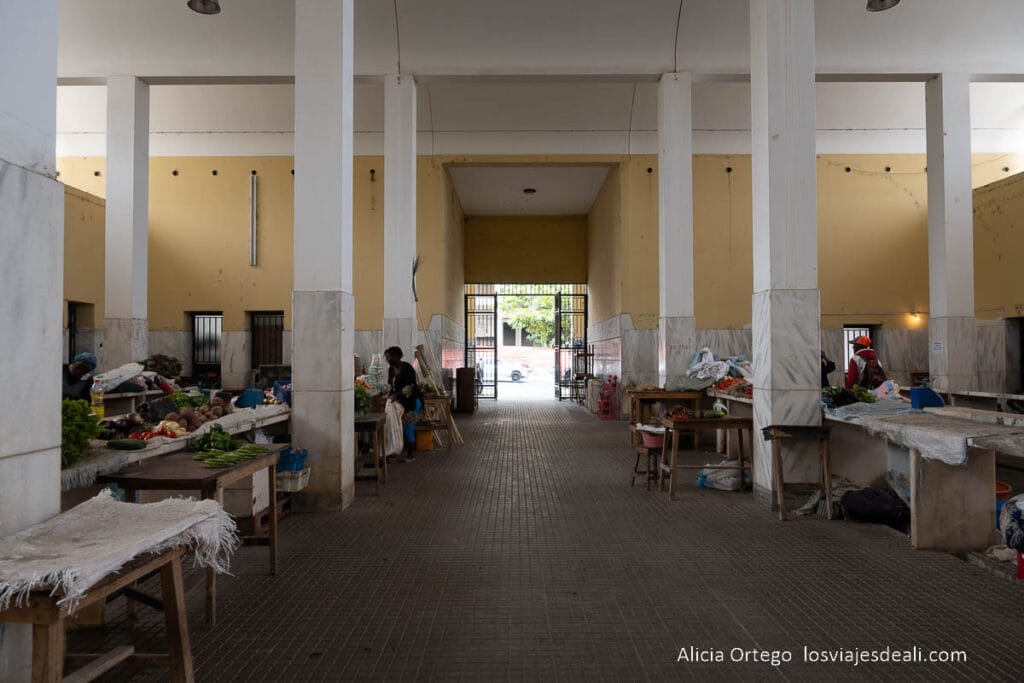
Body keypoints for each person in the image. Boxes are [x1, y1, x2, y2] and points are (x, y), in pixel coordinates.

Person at [384, 346, 423, 462]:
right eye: (386, 358)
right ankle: (393, 450)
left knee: (408, 426)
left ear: (396, 357)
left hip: (412, 401)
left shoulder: (407, 368)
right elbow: (392, 386)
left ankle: (410, 454)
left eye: (388, 357)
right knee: (394, 425)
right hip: (400, 402)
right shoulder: (391, 370)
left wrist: (396, 395)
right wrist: (390, 393)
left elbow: (410, 387)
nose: (387, 360)